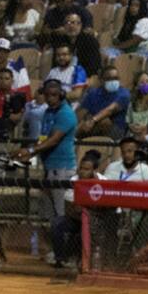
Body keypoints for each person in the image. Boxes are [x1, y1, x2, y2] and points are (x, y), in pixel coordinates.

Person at [17, 79, 78, 266]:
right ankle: (56, 252)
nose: (50, 98)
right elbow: (43, 138)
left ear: (61, 94)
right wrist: (27, 150)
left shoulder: (66, 113)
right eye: (47, 94)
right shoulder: (47, 112)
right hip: (48, 168)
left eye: (54, 95)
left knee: (61, 216)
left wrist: (32, 151)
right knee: (50, 216)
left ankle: (67, 256)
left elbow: (53, 140)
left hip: (62, 170)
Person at [77, 64, 131, 139]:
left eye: (116, 78)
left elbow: (110, 110)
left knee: (104, 122)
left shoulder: (124, 94)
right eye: (109, 79)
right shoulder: (94, 93)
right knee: (82, 121)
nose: (113, 81)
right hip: (92, 126)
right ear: (101, 80)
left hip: (116, 129)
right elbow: (82, 112)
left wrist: (93, 120)